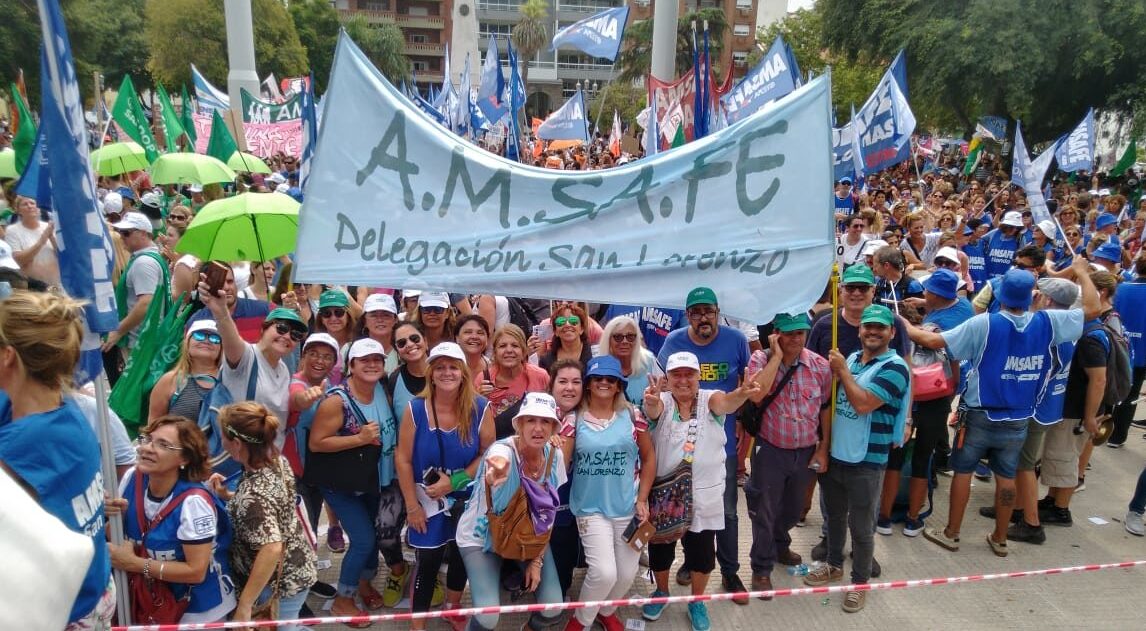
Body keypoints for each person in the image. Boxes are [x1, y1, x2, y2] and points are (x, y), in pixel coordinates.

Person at [907, 258, 1100, 557]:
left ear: (1000, 294)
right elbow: (1091, 310)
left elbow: (931, 340)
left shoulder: (985, 323)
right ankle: (999, 537)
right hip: (1020, 416)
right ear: (1032, 295)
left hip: (980, 413)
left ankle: (952, 533)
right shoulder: (1047, 322)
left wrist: (904, 324)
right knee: (1007, 475)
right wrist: (1084, 274)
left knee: (963, 471)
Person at [0, 292, 113, 628]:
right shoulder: (64, 406)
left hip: (63, 610)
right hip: (94, 588)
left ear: (8, 356)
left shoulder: (22, 446)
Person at [640, 352, 760, 629]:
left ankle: (697, 601)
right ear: (667, 378)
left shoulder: (711, 398)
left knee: (702, 553)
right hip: (665, 495)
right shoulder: (661, 400)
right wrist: (651, 403)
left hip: (704, 494)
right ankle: (661, 592)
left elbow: (727, 403)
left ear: (699, 376)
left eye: (689, 374)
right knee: (661, 548)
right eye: (676, 375)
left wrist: (741, 393)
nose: (683, 380)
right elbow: (653, 412)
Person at [805, 305, 910, 614]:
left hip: (867, 460)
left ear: (892, 332)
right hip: (837, 455)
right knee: (834, 519)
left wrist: (843, 373)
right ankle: (833, 564)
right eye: (868, 327)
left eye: (880, 327)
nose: (873, 332)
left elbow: (864, 403)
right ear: (860, 330)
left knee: (862, 529)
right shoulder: (851, 358)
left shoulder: (895, 367)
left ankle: (859, 583)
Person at [656, 287, 751, 602]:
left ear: (717, 311)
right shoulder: (674, 344)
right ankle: (674, 580)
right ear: (688, 316)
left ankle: (729, 572)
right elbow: (655, 402)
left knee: (724, 516)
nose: (702, 317)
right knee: (672, 532)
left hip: (717, 450)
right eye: (695, 312)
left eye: (707, 310)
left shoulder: (735, 342)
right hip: (671, 475)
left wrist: (743, 396)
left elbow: (730, 397)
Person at [396, 342, 494, 631]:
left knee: (462, 555)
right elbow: (402, 460)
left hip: (466, 497)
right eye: (440, 366)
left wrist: (456, 481)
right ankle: (418, 625)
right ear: (431, 373)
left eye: (453, 366)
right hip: (427, 501)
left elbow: (487, 453)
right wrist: (412, 507)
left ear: (463, 372)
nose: (447, 372)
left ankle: (453, 607)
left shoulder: (480, 407)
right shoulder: (415, 409)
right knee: (427, 562)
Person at [306, 338, 404, 620]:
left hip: (374, 479)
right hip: (344, 485)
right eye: (364, 360)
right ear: (351, 366)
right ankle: (343, 599)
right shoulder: (337, 401)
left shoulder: (381, 390)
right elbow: (317, 443)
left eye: (377, 359)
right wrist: (359, 438)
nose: (372, 364)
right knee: (363, 540)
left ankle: (364, 582)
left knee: (372, 536)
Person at [109, 416, 236, 623]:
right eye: (147, 439)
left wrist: (135, 563)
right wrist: (110, 514)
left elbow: (196, 572)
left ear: (184, 459)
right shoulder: (133, 477)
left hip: (195, 609)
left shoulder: (194, 502)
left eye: (163, 445)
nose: (147, 448)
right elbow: (120, 534)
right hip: (149, 600)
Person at [456, 392, 566, 631]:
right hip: (481, 537)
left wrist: (536, 561)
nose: (538, 428)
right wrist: (497, 472)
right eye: (530, 420)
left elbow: (550, 512)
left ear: (553, 427)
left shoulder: (554, 456)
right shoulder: (502, 450)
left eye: (545, 421)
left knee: (553, 607)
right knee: (488, 617)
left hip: (527, 534)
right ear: (519, 424)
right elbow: (497, 459)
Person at [560, 355, 655, 631]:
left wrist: (642, 499)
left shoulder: (634, 417)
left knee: (626, 574)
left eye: (610, 379)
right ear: (588, 384)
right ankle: (580, 621)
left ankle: (606, 610)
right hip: (590, 509)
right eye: (598, 378)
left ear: (618, 385)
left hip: (628, 508)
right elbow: (560, 466)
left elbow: (649, 459)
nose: (604, 383)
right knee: (604, 573)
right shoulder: (573, 420)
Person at [741, 314, 831, 598]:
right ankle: (761, 567)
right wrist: (776, 357)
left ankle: (780, 543)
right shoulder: (760, 360)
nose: (796, 339)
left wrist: (823, 446)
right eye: (789, 334)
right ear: (776, 334)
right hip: (770, 450)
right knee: (764, 510)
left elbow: (825, 407)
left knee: (793, 509)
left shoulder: (819, 365)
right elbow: (756, 396)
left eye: (801, 333)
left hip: (805, 451)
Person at [880, 269, 973, 536]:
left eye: (927, 291)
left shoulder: (907, 332)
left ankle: (884, 518)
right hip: (936, 400)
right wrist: (949, 392)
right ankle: (912, 520)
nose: (923, 295)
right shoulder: (957, 312)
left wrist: (903, 324)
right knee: (923, 459)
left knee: (894, 460)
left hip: (904, 401)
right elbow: (953, 366)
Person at [215, 402, 317, 629]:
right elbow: (270, 506)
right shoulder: (276, 461)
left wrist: (245, 604)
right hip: (297, 567)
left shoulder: (254, 494)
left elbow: (271, 547)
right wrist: (230, 496)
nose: (219, 441)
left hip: (279, 586)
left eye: (221, 435)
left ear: (237, 444)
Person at [1039, 270, 1120, 529]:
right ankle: (1052, 500)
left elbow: (1099, 380)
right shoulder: (1088, 330)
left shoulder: (1091, 337)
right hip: (1072, 407)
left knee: (1065, 458)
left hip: (1078, 411)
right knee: (1058, 457)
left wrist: (1088, 417)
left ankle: (1061, 509)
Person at [201, 271, 307, 450]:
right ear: (263, 329)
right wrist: (220, 311)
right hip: (239, 463)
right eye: (281, 328)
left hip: (268, 463)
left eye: (295, 335)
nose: (287, 336)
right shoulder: (247, 356)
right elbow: (231, 337)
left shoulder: (283, 370)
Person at [547, 358, 585, 599]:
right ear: (551, 386)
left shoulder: (590, 417)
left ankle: (559, 588)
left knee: (560, 580)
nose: (569, 387)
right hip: (538, 505)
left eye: (576, 382)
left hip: (570, 507)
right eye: (562, 381)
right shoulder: (537, 414)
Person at [104, 211, 165, 352]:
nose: (121, 237)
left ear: (143, 234)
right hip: (145, 339)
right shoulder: (150, 257)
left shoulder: (143, 262)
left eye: (126, 233)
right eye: (120, 232)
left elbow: (145, 303)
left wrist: (118, 331)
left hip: (140, 343)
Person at [480, 324, 551, 439]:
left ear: (524, 351)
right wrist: (479, 399)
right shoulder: (483, 379)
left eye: (515, 346)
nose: (509, 350)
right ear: (495, 352)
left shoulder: (540, 376)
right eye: (502, 346)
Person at [148, 320, 223, 421]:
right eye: (199, 335)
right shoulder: (169, 380)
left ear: (221, 348)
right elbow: (154, 424)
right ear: (187, 343)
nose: (206, 341)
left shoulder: (229, 381)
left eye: (215, 338)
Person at [1109, 253, 1146, 446]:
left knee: (1112, 385)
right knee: (1132, 391)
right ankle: (1117, 436)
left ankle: (1105, 429)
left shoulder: (1121, 288)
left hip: (1118, 344)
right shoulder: (1122, 287)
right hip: (1141, 351)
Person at [186, 262, 272, 343]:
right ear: (205, 286)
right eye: (220, 283)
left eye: (230, 281)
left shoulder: (264, 310)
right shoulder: (197, 321)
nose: (226, 287)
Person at [598, 315, 663, 405]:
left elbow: (663, 393)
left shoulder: (649, 361)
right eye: (618, 337)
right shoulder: (598, 366)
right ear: (608, 340)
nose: (624, 341)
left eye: (630, 336)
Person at [4, 195, 59, 286]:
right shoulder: (12, 231)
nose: (30, 206)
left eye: (32, 203)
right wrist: (41, 242)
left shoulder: (49, 226)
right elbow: (18, 261)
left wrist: (52, 238)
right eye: (25, 204)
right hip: (32, 285)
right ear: (18, 210)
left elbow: (62, 256)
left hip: (56, 283)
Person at [389, 321, 430, 421]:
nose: (410, 344)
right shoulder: (393, 380)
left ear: (425, 341)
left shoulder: (446, 373)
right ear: (397, 350)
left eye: (414, 338)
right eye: (401, 343)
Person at [538, 303, 593, 371]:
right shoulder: (545, 361)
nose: (567, 325)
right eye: (561, 321)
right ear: (555, 331)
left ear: (581, 329)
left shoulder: (595, 355)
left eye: (573, 321)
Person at [361, 293, 401, 374]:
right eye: (374, 315)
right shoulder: (349, 349)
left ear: (395, 319)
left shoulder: (404, 351)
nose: (380, 320)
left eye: (386, 315)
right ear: (364, 320)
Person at [981, 211, 1025, 278]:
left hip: (1006, 278)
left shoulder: (1020, 239)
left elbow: (1022, 258)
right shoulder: (994, 233)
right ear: (1005, 226)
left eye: (1017, 228)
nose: (1015, 230)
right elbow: (979, 241)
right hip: (987, 276)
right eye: (1012, 227)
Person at [456, 313, 492, 379]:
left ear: (487, 339)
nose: (474, 337)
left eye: (480, 333)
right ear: (457, 338)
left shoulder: (493, 368)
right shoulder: (446, 368)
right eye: (468, 332)